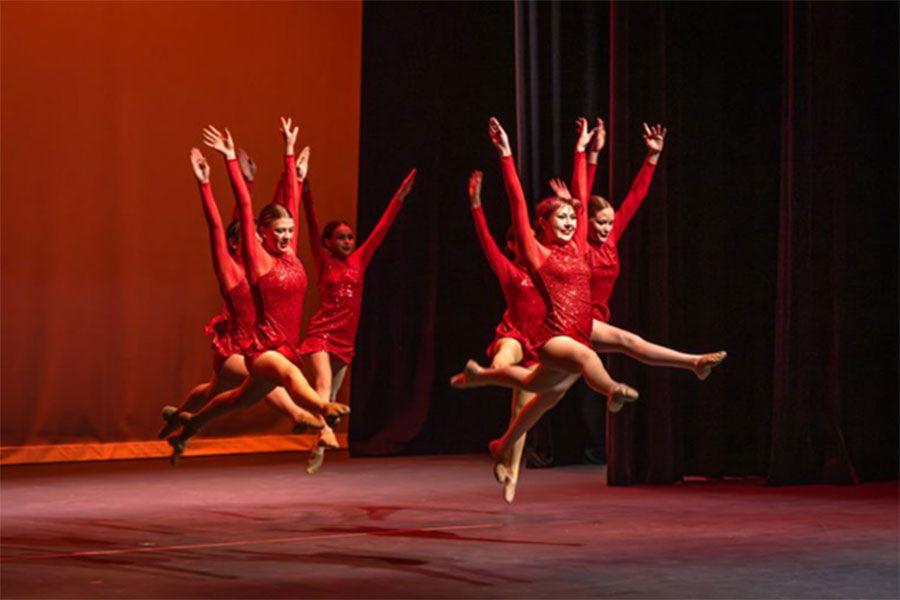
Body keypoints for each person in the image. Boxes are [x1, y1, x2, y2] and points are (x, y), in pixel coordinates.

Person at [297, 153, 416, 473]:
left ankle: (317, 445)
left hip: (345, 339)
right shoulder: (324, 263)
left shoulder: (359, 260)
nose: (348, 242)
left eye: (350, 237)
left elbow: (382, 228)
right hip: (321, 334)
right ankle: (320, 432)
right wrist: (305, 190)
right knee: (323, 385)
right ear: (327, 243)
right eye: (341, 237)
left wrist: (400, 197)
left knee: (332, 396)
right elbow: (310, 224)